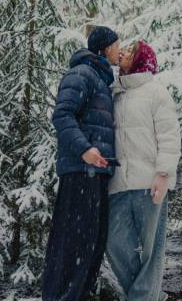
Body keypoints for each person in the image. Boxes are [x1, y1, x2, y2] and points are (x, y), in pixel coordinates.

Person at [42, 26, 121, 301]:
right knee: (74, 242)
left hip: (96, 172)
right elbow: (62, 116)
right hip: (80, 172)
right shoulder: (82, 74)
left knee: (92, 243)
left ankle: (78, 294)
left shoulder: (101, 79)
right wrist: (85, 149)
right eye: (116, 45)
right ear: (103, 48)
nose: (119, 50)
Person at [106, 40, 182, 301]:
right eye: (123, 49)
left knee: (152, 250)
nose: (123, 52)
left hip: (150, 183)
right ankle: (149, 297)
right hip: (117, 184)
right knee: (113, 244)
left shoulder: (156, 92)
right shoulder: (114, 93)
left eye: (130, 51)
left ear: (140, 60)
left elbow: (169, 137)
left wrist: (163, 175)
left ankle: (141, 298)